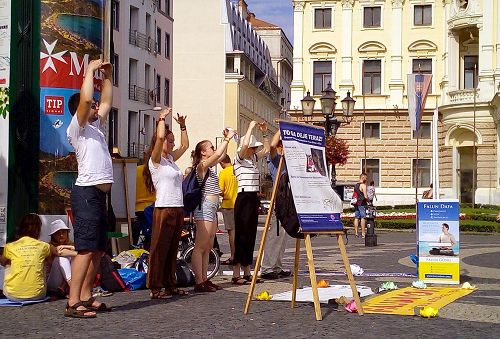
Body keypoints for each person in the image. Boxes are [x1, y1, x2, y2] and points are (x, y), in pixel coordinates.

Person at [66, 59, 113, 318]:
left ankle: (86, 294)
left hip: (100, 196)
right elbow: (86, 102)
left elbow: (106, 101)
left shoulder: (96, 129)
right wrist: (89, 71)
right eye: (91, 106)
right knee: (85, 249)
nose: (96, 107)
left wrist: (107, 75)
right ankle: (72, 302)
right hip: (86, 194)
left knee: (97, 249)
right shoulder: (78, 128)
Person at [143, 107, 189, 299]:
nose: (172, 144)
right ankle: (155, 286)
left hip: (177, 207)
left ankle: (170, 284)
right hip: (163, 208)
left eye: (172, 142)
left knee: (172, 249)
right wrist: (161, 118)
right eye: (170, 141)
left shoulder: (170, 160)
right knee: (159, 249)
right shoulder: (156, 161)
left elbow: (185, 146)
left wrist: (183, 127)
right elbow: (160, 138)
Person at [191, 129, 236, 292]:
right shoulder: (201, 166)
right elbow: (218, 155)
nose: (213, 149)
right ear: (203, 152)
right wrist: (228, 139)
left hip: (212, 207)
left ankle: (204, 278)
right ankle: (199, 280)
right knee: (200, 246)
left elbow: (219, 155)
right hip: (204, 207)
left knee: (208, 245)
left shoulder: (209, 169)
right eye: (210, 147)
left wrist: (227, 140)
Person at [232, 121, 270, 285]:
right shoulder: (238, 159)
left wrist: (265, 133)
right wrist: (249, 127)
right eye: (252, 148)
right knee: (241, 234)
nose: (254, 150)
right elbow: (245, 143)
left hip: (253, 198)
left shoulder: (253, 159)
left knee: (250, 235)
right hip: (243, 197)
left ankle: (247, 271)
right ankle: (236, 272)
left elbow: (267, 149)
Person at [0, 214, 51, 302]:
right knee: (43, 261)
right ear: (38, 229)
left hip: (12, 295)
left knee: (8, 263)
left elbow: (2, 263)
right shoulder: (44, 246)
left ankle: (14, 287)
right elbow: (49, 262)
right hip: (38, 294)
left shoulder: (10, 246)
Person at [261, 131, 291, 280]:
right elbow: (271, 145)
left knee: (283, 236)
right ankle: (267, 267)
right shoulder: (275, 160)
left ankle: (277, 266)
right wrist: (281, 129)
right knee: (275, 234)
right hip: (278, 200)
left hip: (287, 201)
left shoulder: (288, 161)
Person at [46, 219, 77, 298]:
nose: (61, 235)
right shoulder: (49, 246)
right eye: (58, 233)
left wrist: (67, 246)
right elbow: (59, 253)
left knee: (76, 260)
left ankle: (68, 287)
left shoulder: (72, 245)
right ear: (53, 235)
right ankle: (74, 290)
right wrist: (78, 254)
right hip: (53, 281)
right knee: (60, 259)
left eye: (63, 232)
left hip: (65, 282)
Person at [219, 155, 238, 266]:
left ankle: (233, 256)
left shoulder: (223, 173)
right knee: (240, 231)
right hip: (239, 204)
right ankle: (240, 254)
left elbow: (221, 190)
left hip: (228, 204)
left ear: (222, 162)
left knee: (232, 233)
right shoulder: (237, 169)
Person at [135, 158, 156, 250]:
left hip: (136, 207)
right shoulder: (153, 171)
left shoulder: (135, 171)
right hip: (151, 207)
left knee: (134, 235)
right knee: (150, 234)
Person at [353, 173, 369, 238]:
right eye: (366, 178)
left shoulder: (356, 185)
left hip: (356, 203)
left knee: (356, 217)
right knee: (363, 217)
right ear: (363, 178)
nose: (366, 180)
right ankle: (363, 233)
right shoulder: (363, 185)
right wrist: (368, 200)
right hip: (362, 203)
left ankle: (356, 233)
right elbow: (365, 196)